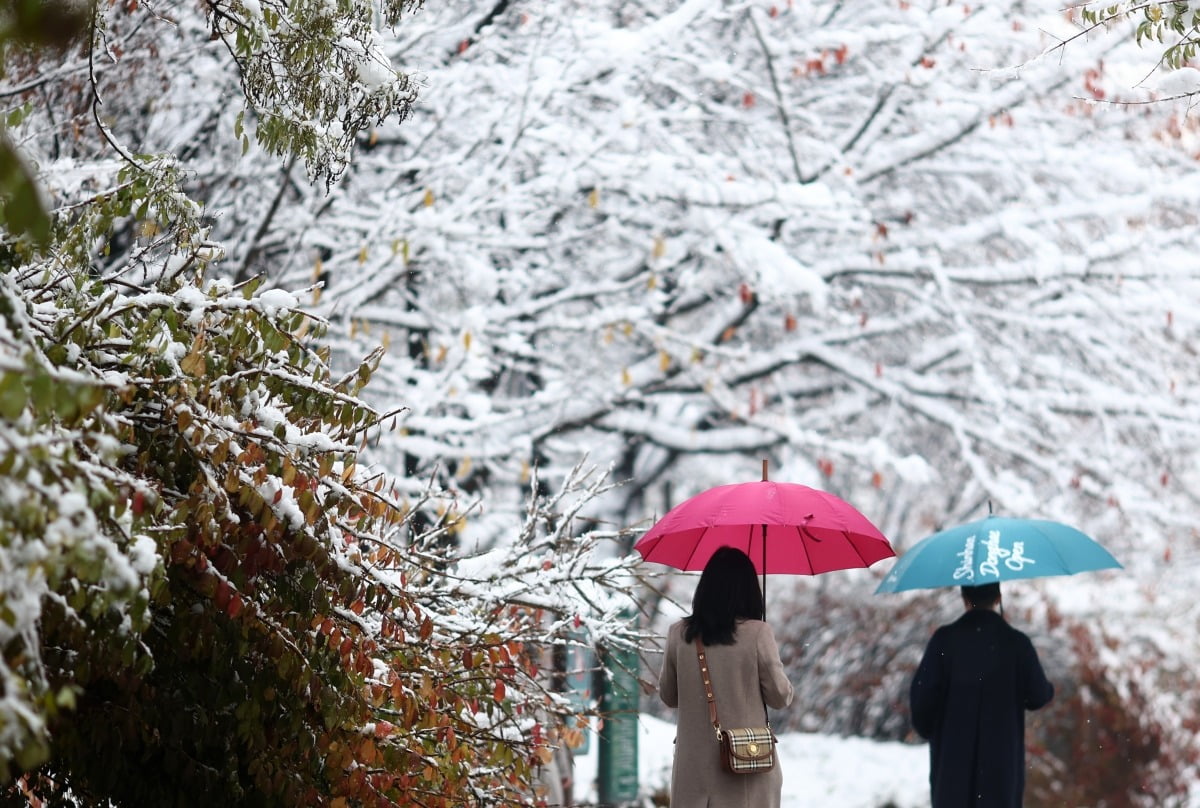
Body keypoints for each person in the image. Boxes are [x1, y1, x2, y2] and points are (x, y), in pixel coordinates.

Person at [657, 546, 794, 808]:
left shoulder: (679, 633)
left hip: (693, 772)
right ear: (749, 590)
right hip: (746, 766)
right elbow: (779, 697)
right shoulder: (758, 633)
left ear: (705, 588)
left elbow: (669, 696)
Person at [909, 582, 1055, 808]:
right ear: (998, 598)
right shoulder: (1017, 643)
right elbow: (1038, 696)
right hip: (1001, 768)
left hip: (951, 767)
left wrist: (937, 732)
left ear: (964, 598)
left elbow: (922, 705)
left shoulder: (944, 640)